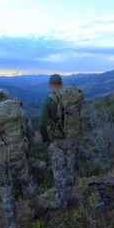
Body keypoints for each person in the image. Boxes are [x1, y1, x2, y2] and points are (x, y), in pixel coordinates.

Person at [0, 88, 45, 228]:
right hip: (19, 157)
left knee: (6, 193)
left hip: (1, 162)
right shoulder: (21, 113)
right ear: (9, 98)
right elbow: (30, 133)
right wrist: (27, 151)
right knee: (28, 184)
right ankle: (37, 210)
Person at [39, 74, 84, 210]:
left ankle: (61, 202)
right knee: (70, 169)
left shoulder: (48, 100)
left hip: (57, 142)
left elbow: (41, 124)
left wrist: (46, 139)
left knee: (59, 172)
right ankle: (69, 196)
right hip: (71, 138)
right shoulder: (72, 97)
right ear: (62, 83)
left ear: (50, 85)